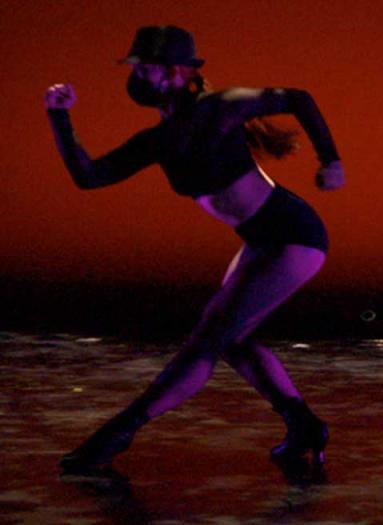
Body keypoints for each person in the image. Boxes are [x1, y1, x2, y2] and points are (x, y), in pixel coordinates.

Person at [49, 25, 344, 477]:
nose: (138, 77)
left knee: (207, 340)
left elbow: (298, 98)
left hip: (293, 235)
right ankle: (304, 427)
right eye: (136, 69)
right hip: (263, 240)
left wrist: (331, 161)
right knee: (233, 339)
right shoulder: (160, 139)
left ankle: (114, 436)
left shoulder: (219, 109)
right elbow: (89, 176)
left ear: (178, 73)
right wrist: (60, 118)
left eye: (146, 69)